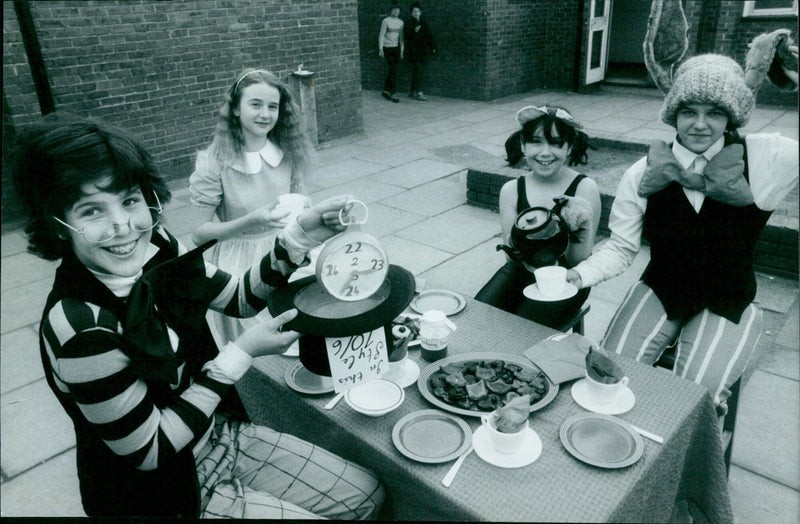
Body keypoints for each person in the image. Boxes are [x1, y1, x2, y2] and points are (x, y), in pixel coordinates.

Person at [10, 113, 384, 519]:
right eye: (91, 211)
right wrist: (238, 355)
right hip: (165, 494)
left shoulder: (156, 244)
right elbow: (150, 449)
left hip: (218, 433)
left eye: (130, 200)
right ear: (58, 225)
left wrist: (300, 236)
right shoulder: (80, 328)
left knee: (370, 493)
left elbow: (240, 298)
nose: (122, 226)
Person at [567, 52, 799, 414]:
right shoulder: (643, 171)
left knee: (694, 401)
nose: (701, 125)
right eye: (689, 111)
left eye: (715, 113)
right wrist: (576, 276)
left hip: (729, 298)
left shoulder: (767, 159)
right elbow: (622, 248)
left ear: (731, 116)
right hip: (662, 287)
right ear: (674, 114)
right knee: (605, 376)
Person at [189, 68, 312, 348]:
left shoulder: (287, 150)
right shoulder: (214, 161)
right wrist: (252, 220)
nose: (265, 114)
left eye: (273, 106)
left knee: (295, 332)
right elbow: (199, 234)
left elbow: (300, 205)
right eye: (255, 104)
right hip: (239, 261)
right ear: (234, 108)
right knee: (252, 342)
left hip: (286, 249)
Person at [475, 105, 601, 329]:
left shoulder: (584, 188)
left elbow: (578, 261)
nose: (545, 152)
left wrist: (580, 227)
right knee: (476, 319)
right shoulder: (512, 190)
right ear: (523, 146)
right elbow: (511, 259)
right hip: (520, 271)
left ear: (569, 147)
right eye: (535, 142)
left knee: (521, 333)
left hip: (566, 279)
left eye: (555, 143)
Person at [404, 2, 436, 101]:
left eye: (418, 11)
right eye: (414, 11)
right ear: (411, 13)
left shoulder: (424, 22)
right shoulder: (408, 23)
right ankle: (418, 92)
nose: (416, 13)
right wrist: (414, 31)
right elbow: (407, 37)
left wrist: (433, 47)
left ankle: (412, 91)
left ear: (420, 12)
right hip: (413, 52)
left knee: (418, 71)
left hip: (423, 51)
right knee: (418, 70)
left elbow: (429, 35)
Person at [378, 0, 404, 103]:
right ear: (391, 11)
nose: (396, 11)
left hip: (396, 48)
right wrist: (380, 49)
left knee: (393, 70)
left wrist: (402, 51)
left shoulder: (401, 22)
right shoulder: (386, 21)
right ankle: (393, 92)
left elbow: (401, 38)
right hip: (387, 48)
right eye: (394, 9)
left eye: (398, 10)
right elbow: (381, 35)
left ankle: (385, 90)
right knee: (392, 68)